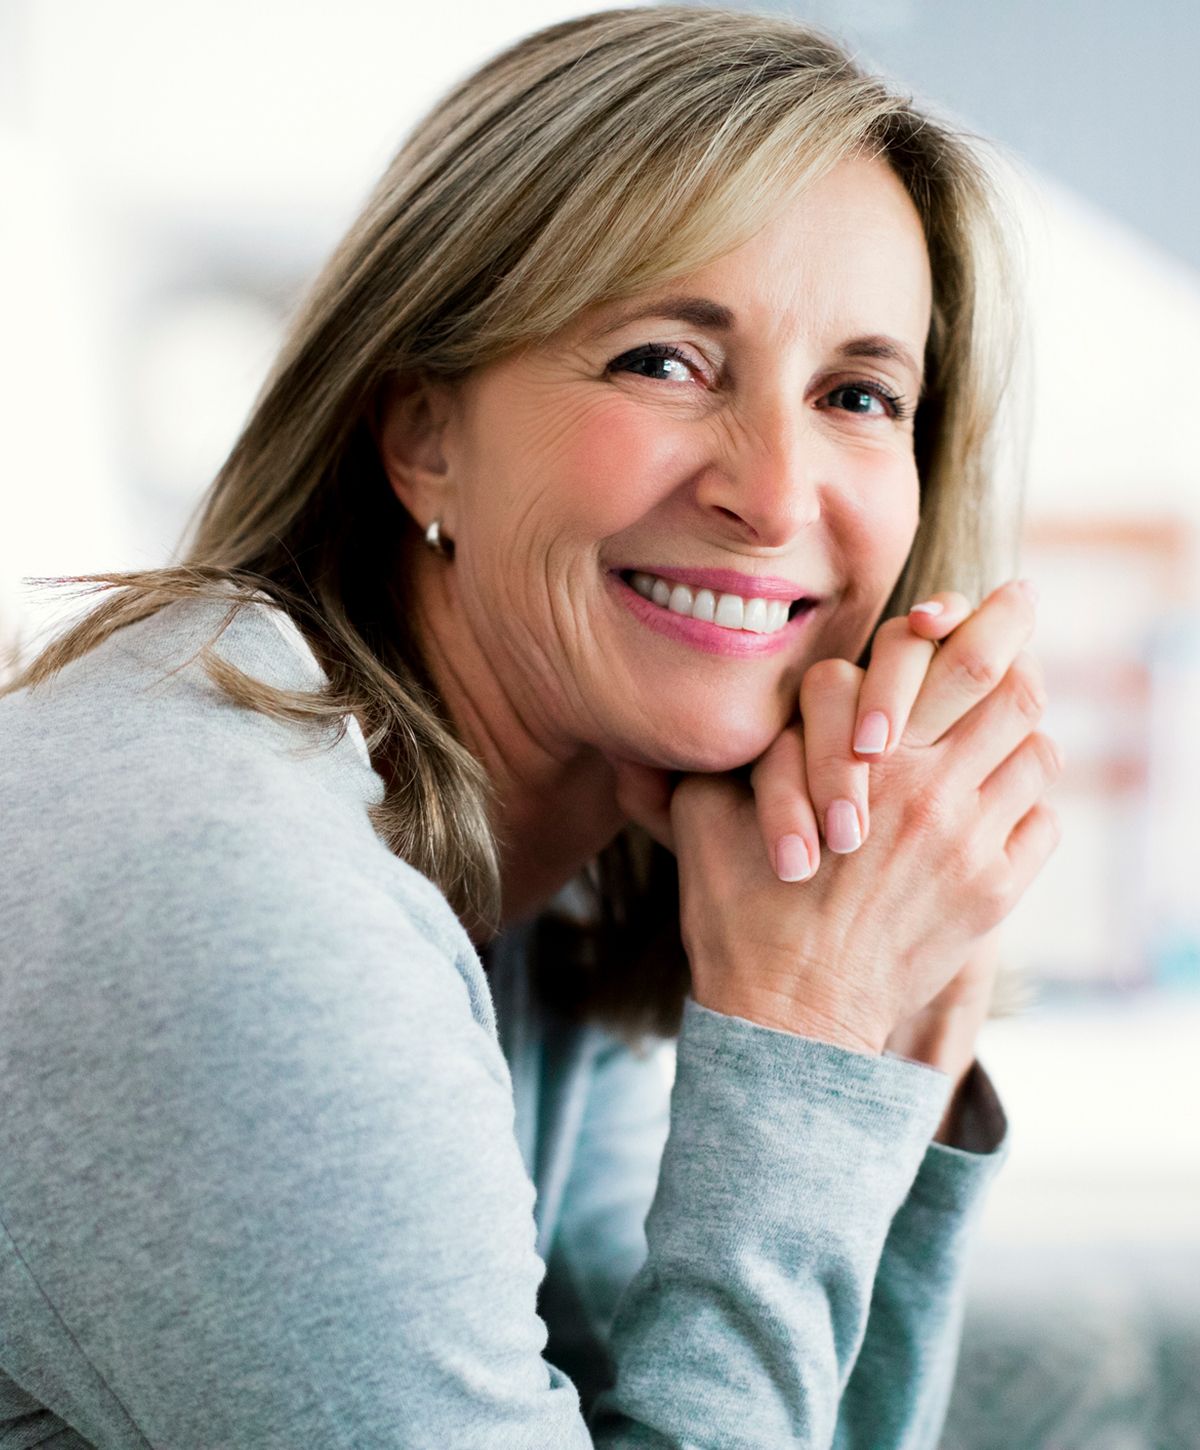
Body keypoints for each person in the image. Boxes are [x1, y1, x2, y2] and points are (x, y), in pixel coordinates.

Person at [0, 7, 1062, 1446]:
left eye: (858, 394)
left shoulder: (537, 881)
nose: (775, 488)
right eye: (665, 361)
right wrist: (811, 1037)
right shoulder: (232, 890)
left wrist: (903, 1037)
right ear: (423, 430)